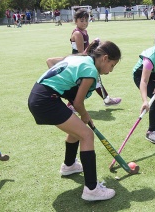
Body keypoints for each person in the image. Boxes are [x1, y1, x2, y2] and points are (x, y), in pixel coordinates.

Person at [28, 40, 121, 201]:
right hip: (46, 101)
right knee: (87, 135)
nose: (111, 70)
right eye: (112, 65)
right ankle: (92, 189)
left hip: (39, 97)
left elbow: (51, 62)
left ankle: (69, 165)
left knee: (78, 130)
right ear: (105, 58)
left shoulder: (80, 58)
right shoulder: (91, 71)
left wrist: (62, 87)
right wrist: (85, 115)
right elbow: (78, 103)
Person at [49, 9, 121, 108]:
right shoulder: (78, 33)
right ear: (76, 21)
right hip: (79, 63)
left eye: (86, 20)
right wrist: (93, 45)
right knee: (90, 83)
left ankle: (106, 99)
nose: (84, 23)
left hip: (82, 61)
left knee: (95, 82)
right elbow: (81, 53)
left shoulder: (84, 32)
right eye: (81, 20)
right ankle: (73, 104)